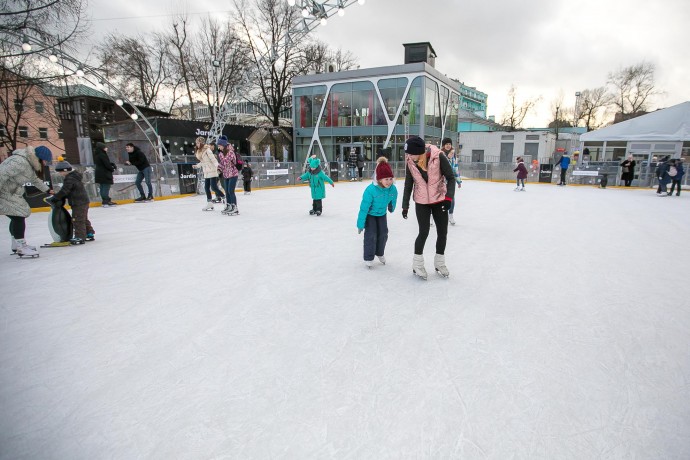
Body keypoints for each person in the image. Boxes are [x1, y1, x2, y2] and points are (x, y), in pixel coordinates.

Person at [401, 136, 456, 279]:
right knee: (423, 231)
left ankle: (440, 262)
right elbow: (408, 184)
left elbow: (451, 177)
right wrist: (405, 205)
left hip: (439, 200)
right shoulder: (410, 162)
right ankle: (417, 264)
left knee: (442, 232)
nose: (409, 156)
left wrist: (448, 198)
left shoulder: (438, 157)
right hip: (421, 201)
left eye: (411, 153)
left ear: (420, 151)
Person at [0, 145, 53, 257]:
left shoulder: (28, 163)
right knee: (19, 215)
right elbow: (1, 174)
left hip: (10, 192)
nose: (44, 164)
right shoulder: (19, 161)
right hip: (4, 193)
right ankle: (21, 247)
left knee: (16, 216)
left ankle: (16, 244)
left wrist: (48, 190)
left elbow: (34, 180)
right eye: (44, 161)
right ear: (39, 157)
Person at [357, 157, 398, 268]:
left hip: (382, 214)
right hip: (370, 215)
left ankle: (380, 253)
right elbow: (364, 208)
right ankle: (369, 257)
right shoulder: (370, 190)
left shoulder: (392, 189)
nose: (389, 182)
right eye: (386, 179)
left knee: (384, 234)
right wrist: (360, 224)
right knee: (371, 235)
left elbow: (393, 198)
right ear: (379, 179)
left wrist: (391, 207)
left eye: (390, 179)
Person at [46, 157, 93, 244]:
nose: (60, 174)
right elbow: (68, 190)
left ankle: (80, 237)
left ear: (65, 170)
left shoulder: (70, 178)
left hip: (78, 202)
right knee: (82, 218)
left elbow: (65, 190)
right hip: (82, 201)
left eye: (60, 172)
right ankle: (89, 233)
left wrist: (55, 198)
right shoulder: (74, 176)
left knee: (77, 219)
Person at [441, 137, 462, 225]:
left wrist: (458, 181)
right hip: (441, 181)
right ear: (443, 146)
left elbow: (455, 169)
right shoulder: (440, 155)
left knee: (451, 199)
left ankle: (451, 215)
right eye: (446, 144)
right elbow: (443, 168)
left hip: (450, 181)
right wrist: (448, 158)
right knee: (438, 199)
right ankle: (433, 216)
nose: (448, 146)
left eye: (449, 144)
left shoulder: (454, 156)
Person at [217, 136, 239, 216]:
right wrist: (218, 169)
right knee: (227, 192)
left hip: (233, 174)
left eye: (219, 146)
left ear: (223, 145)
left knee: (230, 191)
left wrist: (220, 157)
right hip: (226, 174)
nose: (218, 147)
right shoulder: (221, 153)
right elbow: (222, 165)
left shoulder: (230, 152)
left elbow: (225, 162)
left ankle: (235, 207)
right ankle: (229, 206)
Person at [93, 142, 117, 207]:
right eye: (105, 147)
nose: (107, 148)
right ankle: (106, 201)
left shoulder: (97, 154)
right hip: (105, 173)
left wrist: (110, 164)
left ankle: (105, 201)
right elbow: (106, 164)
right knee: (106, 187)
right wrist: (112, 169)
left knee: (102, 187)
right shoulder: (102, 155)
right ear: (102, 148)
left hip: (99, 173)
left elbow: (104, 163)